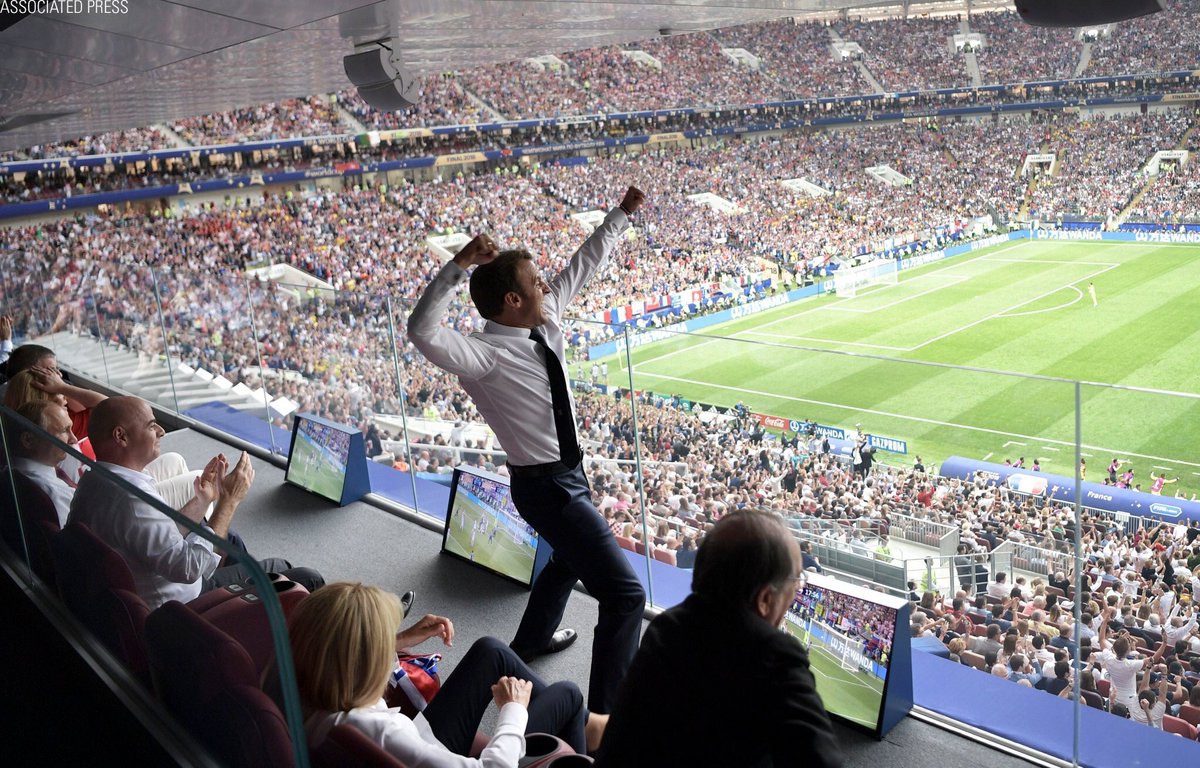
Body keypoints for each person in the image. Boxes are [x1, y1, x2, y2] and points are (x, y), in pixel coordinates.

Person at [407, 186, 647, 713]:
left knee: (567, 560)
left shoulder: (544, 321)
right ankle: (608, 720)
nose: (548, 287)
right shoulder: (483, 356)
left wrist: (621, 215)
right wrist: (458, 266)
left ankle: (533, 640)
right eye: (536, 283)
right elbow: (421, 330)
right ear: (512, 301)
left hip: (569, 475)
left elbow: (582, 266)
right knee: (627, 596)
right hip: (544, 488)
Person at [595, 510, 842, 768]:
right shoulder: (775, 655)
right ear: (766, 599)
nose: (795, 592)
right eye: (795, 581)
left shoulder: (665, 628)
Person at [291, 582, 606, 767]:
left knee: (490, 651)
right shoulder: (379, 734)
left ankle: (588, 725)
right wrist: (514, 710)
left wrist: (399, 640)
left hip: (424, 735)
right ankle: (587, 731)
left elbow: (341, 655)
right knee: (567, 695)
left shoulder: (304, 683)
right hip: (436, 750)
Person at [68, 396, 323, 609]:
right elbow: (189, 569)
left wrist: (204, 500)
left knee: (231, 540)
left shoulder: (93, 482)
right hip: (183, 606)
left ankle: (254, 602)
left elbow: (155, 534)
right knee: (299, 575)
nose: (161, 432)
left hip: (149, 590)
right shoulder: (132, 502)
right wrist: (228, 501)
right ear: (121, 437)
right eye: (151, 426)